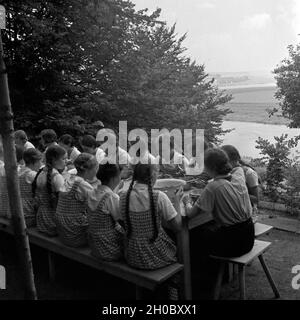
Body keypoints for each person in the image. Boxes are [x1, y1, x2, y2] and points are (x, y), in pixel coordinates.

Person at [183, 148, 254, 259]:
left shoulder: (213, 187)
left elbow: (190, 214)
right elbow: (236, 169)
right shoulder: (239, 175)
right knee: (209, 226)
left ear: (212, 168)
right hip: (249, 238)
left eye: (204, 166)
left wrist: (187, 202)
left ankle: (197, 272)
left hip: (232, 246)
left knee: (193, 234)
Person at [119, 163, 182, 270]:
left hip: (132, 254)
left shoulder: (123, 196)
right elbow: (177, 227)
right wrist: (176, 201)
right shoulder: (159, 196)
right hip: (155, 254)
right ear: (153, 175)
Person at [55, 153, 99, 247]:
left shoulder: (69, 179)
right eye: (96, 168)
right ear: (87, 170)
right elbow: (97, 204)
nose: (97, 171)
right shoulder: (82, 184)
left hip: (63, 231)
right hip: (74, 233)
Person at [87, 163, 124, 261]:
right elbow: (122, 221)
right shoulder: (112, 197)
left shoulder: (91, 192)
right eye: (119, 175)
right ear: (113, 178)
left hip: (94, 244)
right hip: (108, 247)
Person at [32, 145, 67, 236]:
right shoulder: (56, 177)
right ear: (54, 160)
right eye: (64, 159)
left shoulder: (41, 172)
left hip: (41, 219)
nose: (66, 161)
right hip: (52, 222)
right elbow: (63, 202)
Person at [19, 148, 43, 227]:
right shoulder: (31, 174)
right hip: (28, 217)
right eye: (40, 161)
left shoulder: (20, 170)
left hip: (19, 213)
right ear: (34, 162)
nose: (41, 164)